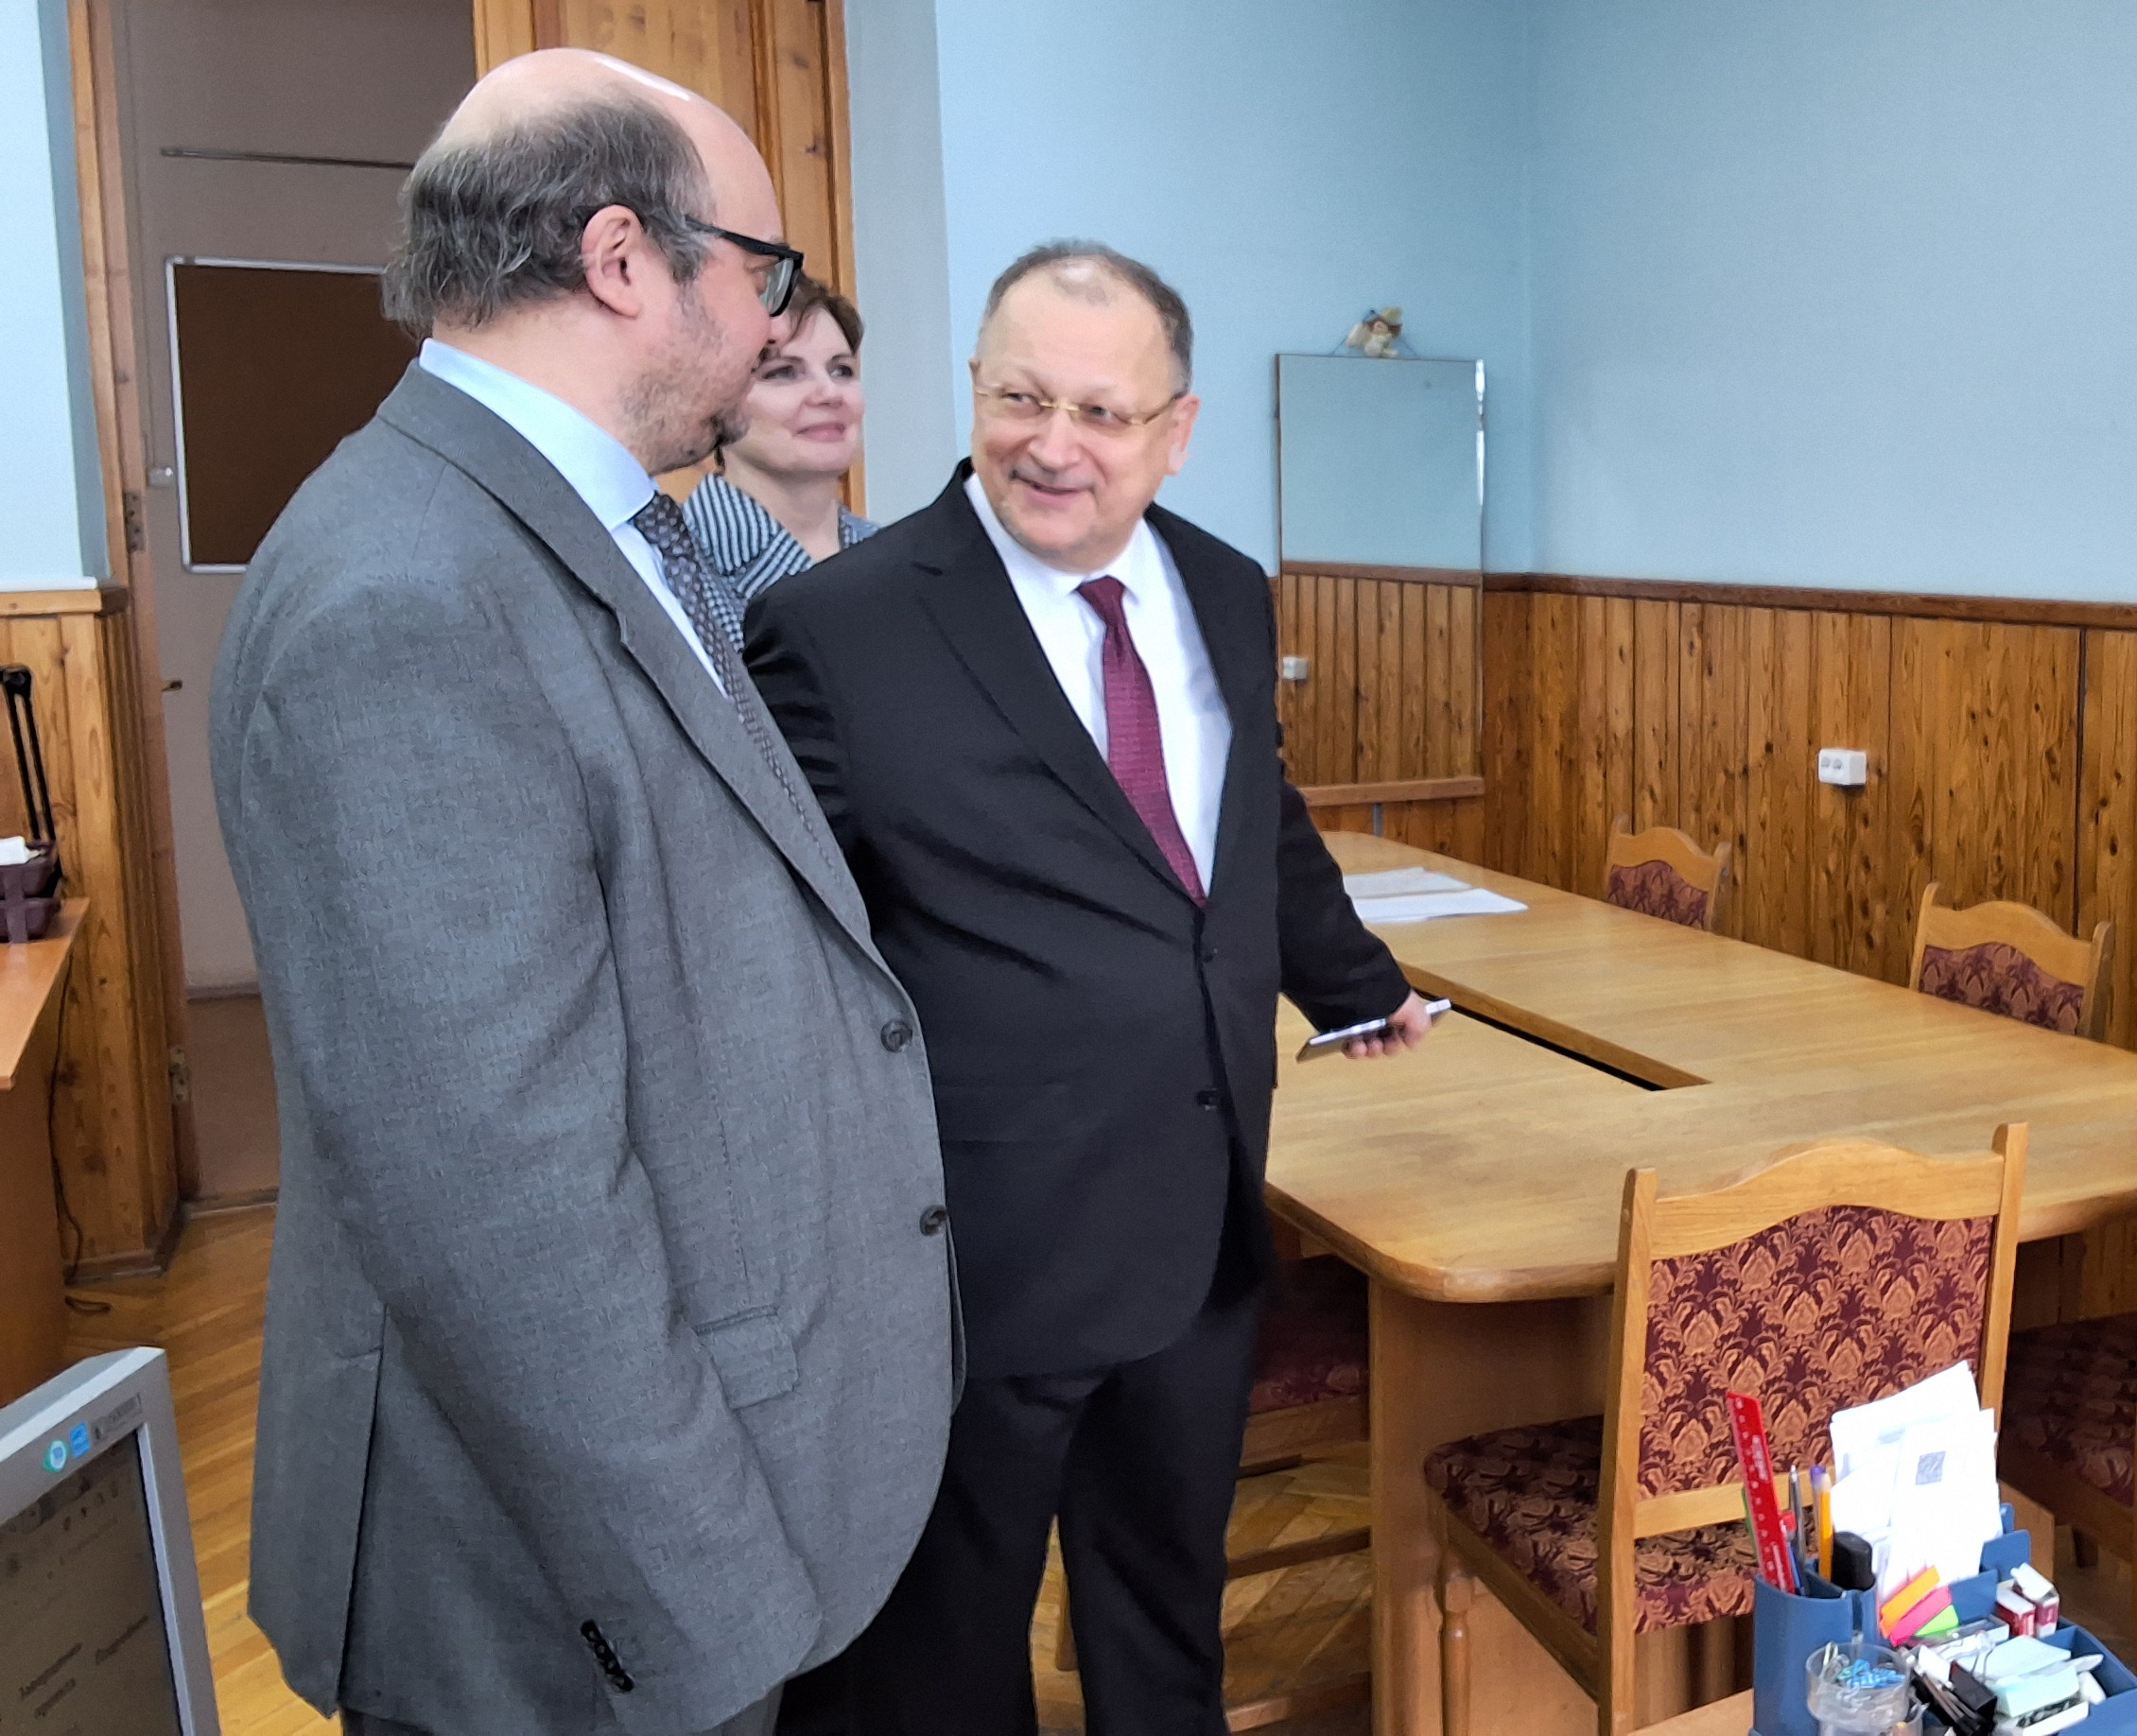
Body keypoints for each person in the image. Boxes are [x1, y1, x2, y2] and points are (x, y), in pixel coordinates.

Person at [210, 50, 955, 1736]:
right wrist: (713, 1609)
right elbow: (499, 1205)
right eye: (762, 272)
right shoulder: (407, 591)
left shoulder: (595, 521)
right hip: (569, 1591)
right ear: (624, 259)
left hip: (703, 1476)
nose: (775, 324)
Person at [747, 240, 1433, 1736]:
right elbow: (782, 956)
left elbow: (1248, 820)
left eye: (1102, 413)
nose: (1052, 444)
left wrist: (1353, 985)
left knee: (1166, 1621)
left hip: (1200, 1220)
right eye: (1020, 398)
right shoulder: (842, 628)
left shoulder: (1228, 592)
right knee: (942, 1658)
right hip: (978, 1256)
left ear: (1176, 431)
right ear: (974, 389)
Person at [686, 274, 876, 599]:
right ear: (713, 400)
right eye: (783, 372)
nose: (830, 393)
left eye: (841, 370)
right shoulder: (669, 567)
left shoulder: (900, 558)